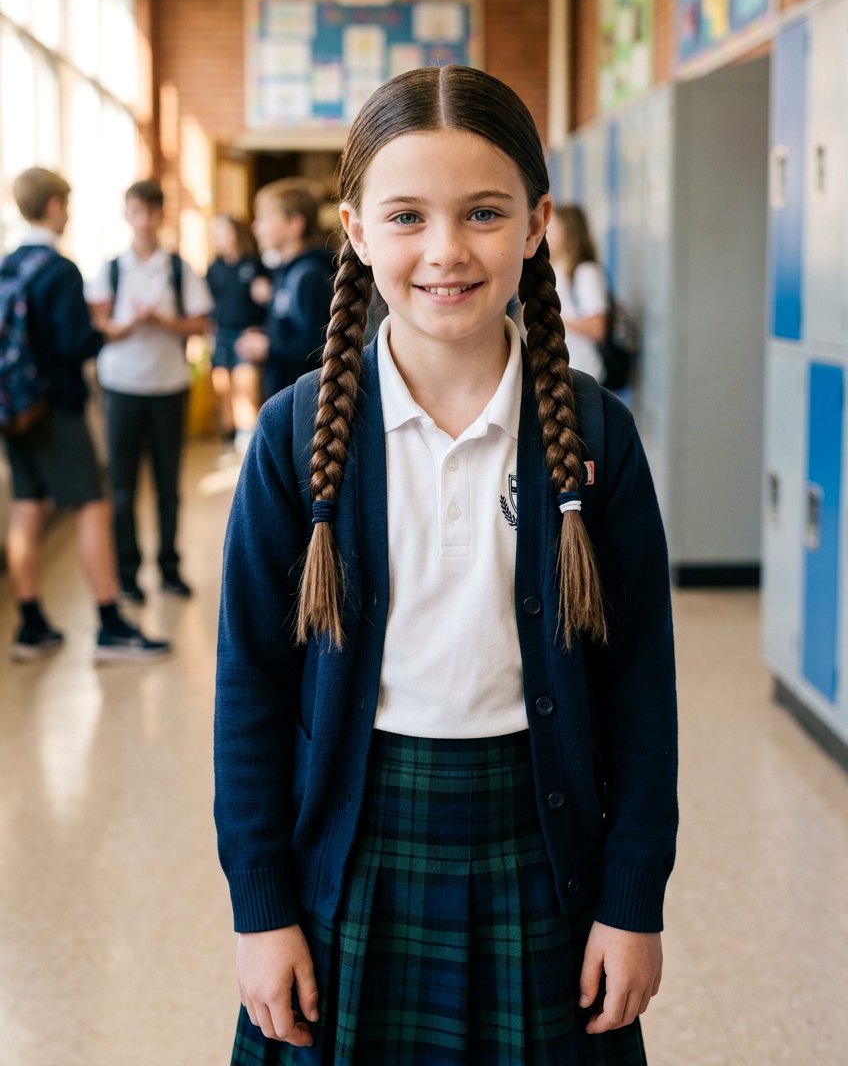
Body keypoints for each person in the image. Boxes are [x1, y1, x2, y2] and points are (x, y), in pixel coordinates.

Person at [214, 66, 678, 1064]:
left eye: (480, 212)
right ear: (354, 230)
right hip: (353, 851)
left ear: (534, 220)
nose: (444, 251)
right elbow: (249, 689)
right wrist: (261, 911)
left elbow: (639, 686)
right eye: (406, 216)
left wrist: (633, 898)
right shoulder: (294, 440)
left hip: (542, 849)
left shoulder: (596, 434)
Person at [2, 168, 169, 661]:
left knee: (26, 507)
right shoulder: (60, 270)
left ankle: (30, 624)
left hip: (13, 409)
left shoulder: (8, 264)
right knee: (93, 506)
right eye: (66, 203)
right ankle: (110, 623)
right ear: (53, 206)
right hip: (56, 408)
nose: (69, 213)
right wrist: (108, 330)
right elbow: (74, 343)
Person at [87, 179, 213, 604]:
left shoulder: (178, 268)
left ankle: (169, 568)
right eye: (136, 211)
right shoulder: (111, 268)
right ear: (127, 215)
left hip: (168, 384)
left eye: (151, 212)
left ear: (160, 216)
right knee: (122, 484)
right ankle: (127, 572)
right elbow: (98, 323)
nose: (144, 220)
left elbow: (200, 324)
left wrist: (162, 323)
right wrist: (123, 327)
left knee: (167, 484)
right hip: (121, 385)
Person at [235, 181, 335, 398]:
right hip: (285, 396)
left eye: (265, 218)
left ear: (295, 225)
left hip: (306, 402)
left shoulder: (309, 276)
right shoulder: (285, 271)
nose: (255, 227)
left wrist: (268, 347)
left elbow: (320, 347)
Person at [206, 214, 265, 452]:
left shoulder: (253, 264)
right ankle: (229, 437)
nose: (218, 238)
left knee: (246, 387)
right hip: (220, 334)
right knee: (224, 389)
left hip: (245, 333)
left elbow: (265, 302)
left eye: (223, 231)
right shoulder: (213, 269)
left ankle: (247, 438)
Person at [546, 203, 609, 382]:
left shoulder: (585, 272)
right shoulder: (557, 268)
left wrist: (551, 318)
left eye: (554, 228)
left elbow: (597, 328)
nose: (548, 236)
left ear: (568, 232)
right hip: (559, 368)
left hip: (581, 370)